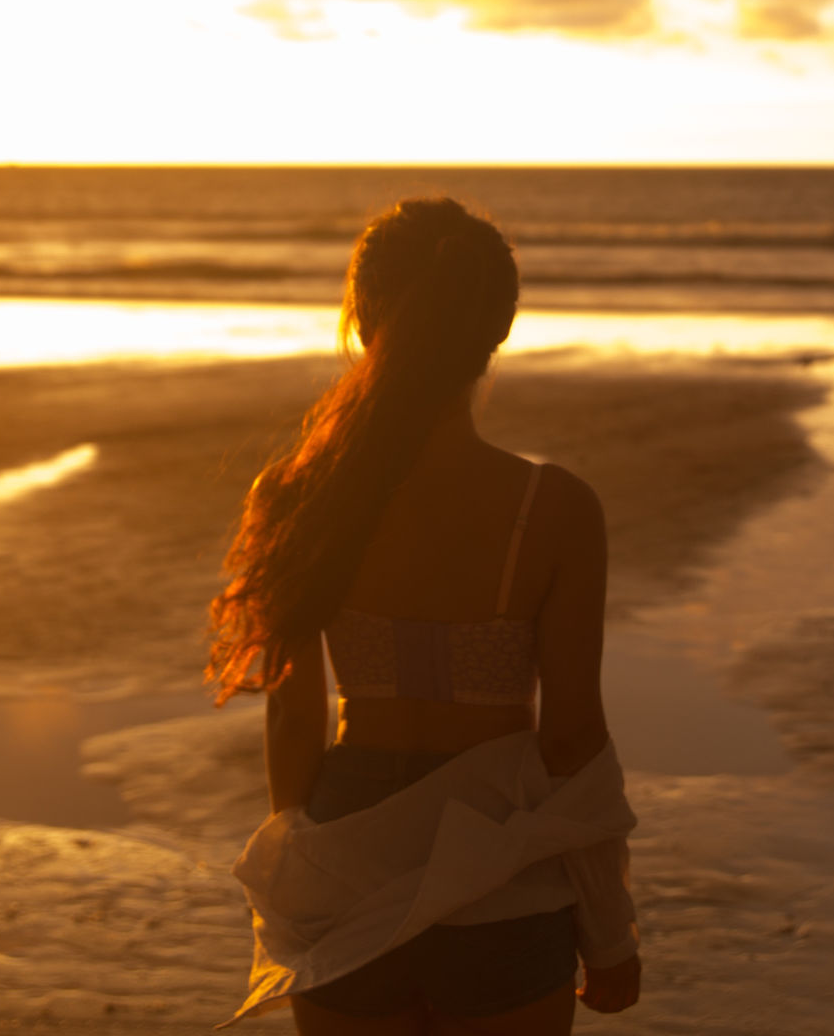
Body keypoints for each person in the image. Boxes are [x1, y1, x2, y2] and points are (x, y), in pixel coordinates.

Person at [209, 198, 641, 1029]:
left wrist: (303, 880)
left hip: (344, 846)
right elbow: (572, 735)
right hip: (499, 858)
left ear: (365, 320)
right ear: (498, 329)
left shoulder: (301, 494)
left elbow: (292, 723)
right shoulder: (551, 508)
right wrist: (609, 931)